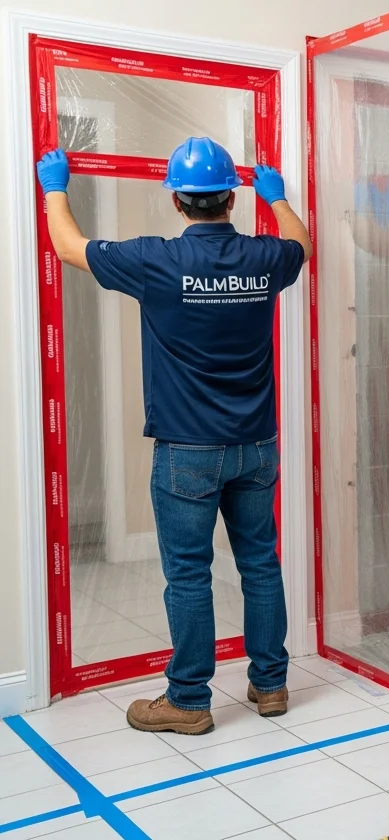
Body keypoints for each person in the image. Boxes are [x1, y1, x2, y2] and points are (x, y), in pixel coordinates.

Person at [36, 137, 313, 734]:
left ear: (178, 202)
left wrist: (55, 187)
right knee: (261, 566)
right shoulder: (264, 258)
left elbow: (67, 245)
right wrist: (280, 197)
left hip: (188, 452)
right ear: (232, 198)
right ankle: (270, 686)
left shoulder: (155, 260)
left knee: (188, 574)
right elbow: (301, 244)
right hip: (256, 446)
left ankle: (188, 701)